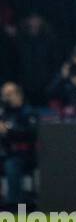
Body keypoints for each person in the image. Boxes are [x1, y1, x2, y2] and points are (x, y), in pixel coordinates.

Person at [0, 82, 38, 211]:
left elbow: (31, 134)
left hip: (24, 154)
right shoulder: (4, 113)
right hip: (6, 153)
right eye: (4, 95)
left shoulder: (28, 113)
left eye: (9, 94)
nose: (6, 98)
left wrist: (8, 131)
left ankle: (14, 207)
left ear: (18, 95)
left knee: (12, 165)